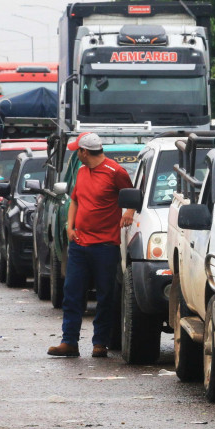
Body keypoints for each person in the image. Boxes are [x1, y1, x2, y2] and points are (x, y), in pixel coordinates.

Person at [47, 132, 134, 358]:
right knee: (72, 293)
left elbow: (132, 196)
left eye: (78, 150)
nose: (77, 153)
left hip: (105, 246)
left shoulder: (116, 172)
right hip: (79, 244)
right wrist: (70, 226)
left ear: (85, 152)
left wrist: (130, 213)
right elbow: (75, 200)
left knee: (106, 296)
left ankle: (100, 343)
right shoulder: (82, 171)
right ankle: (69, 342)